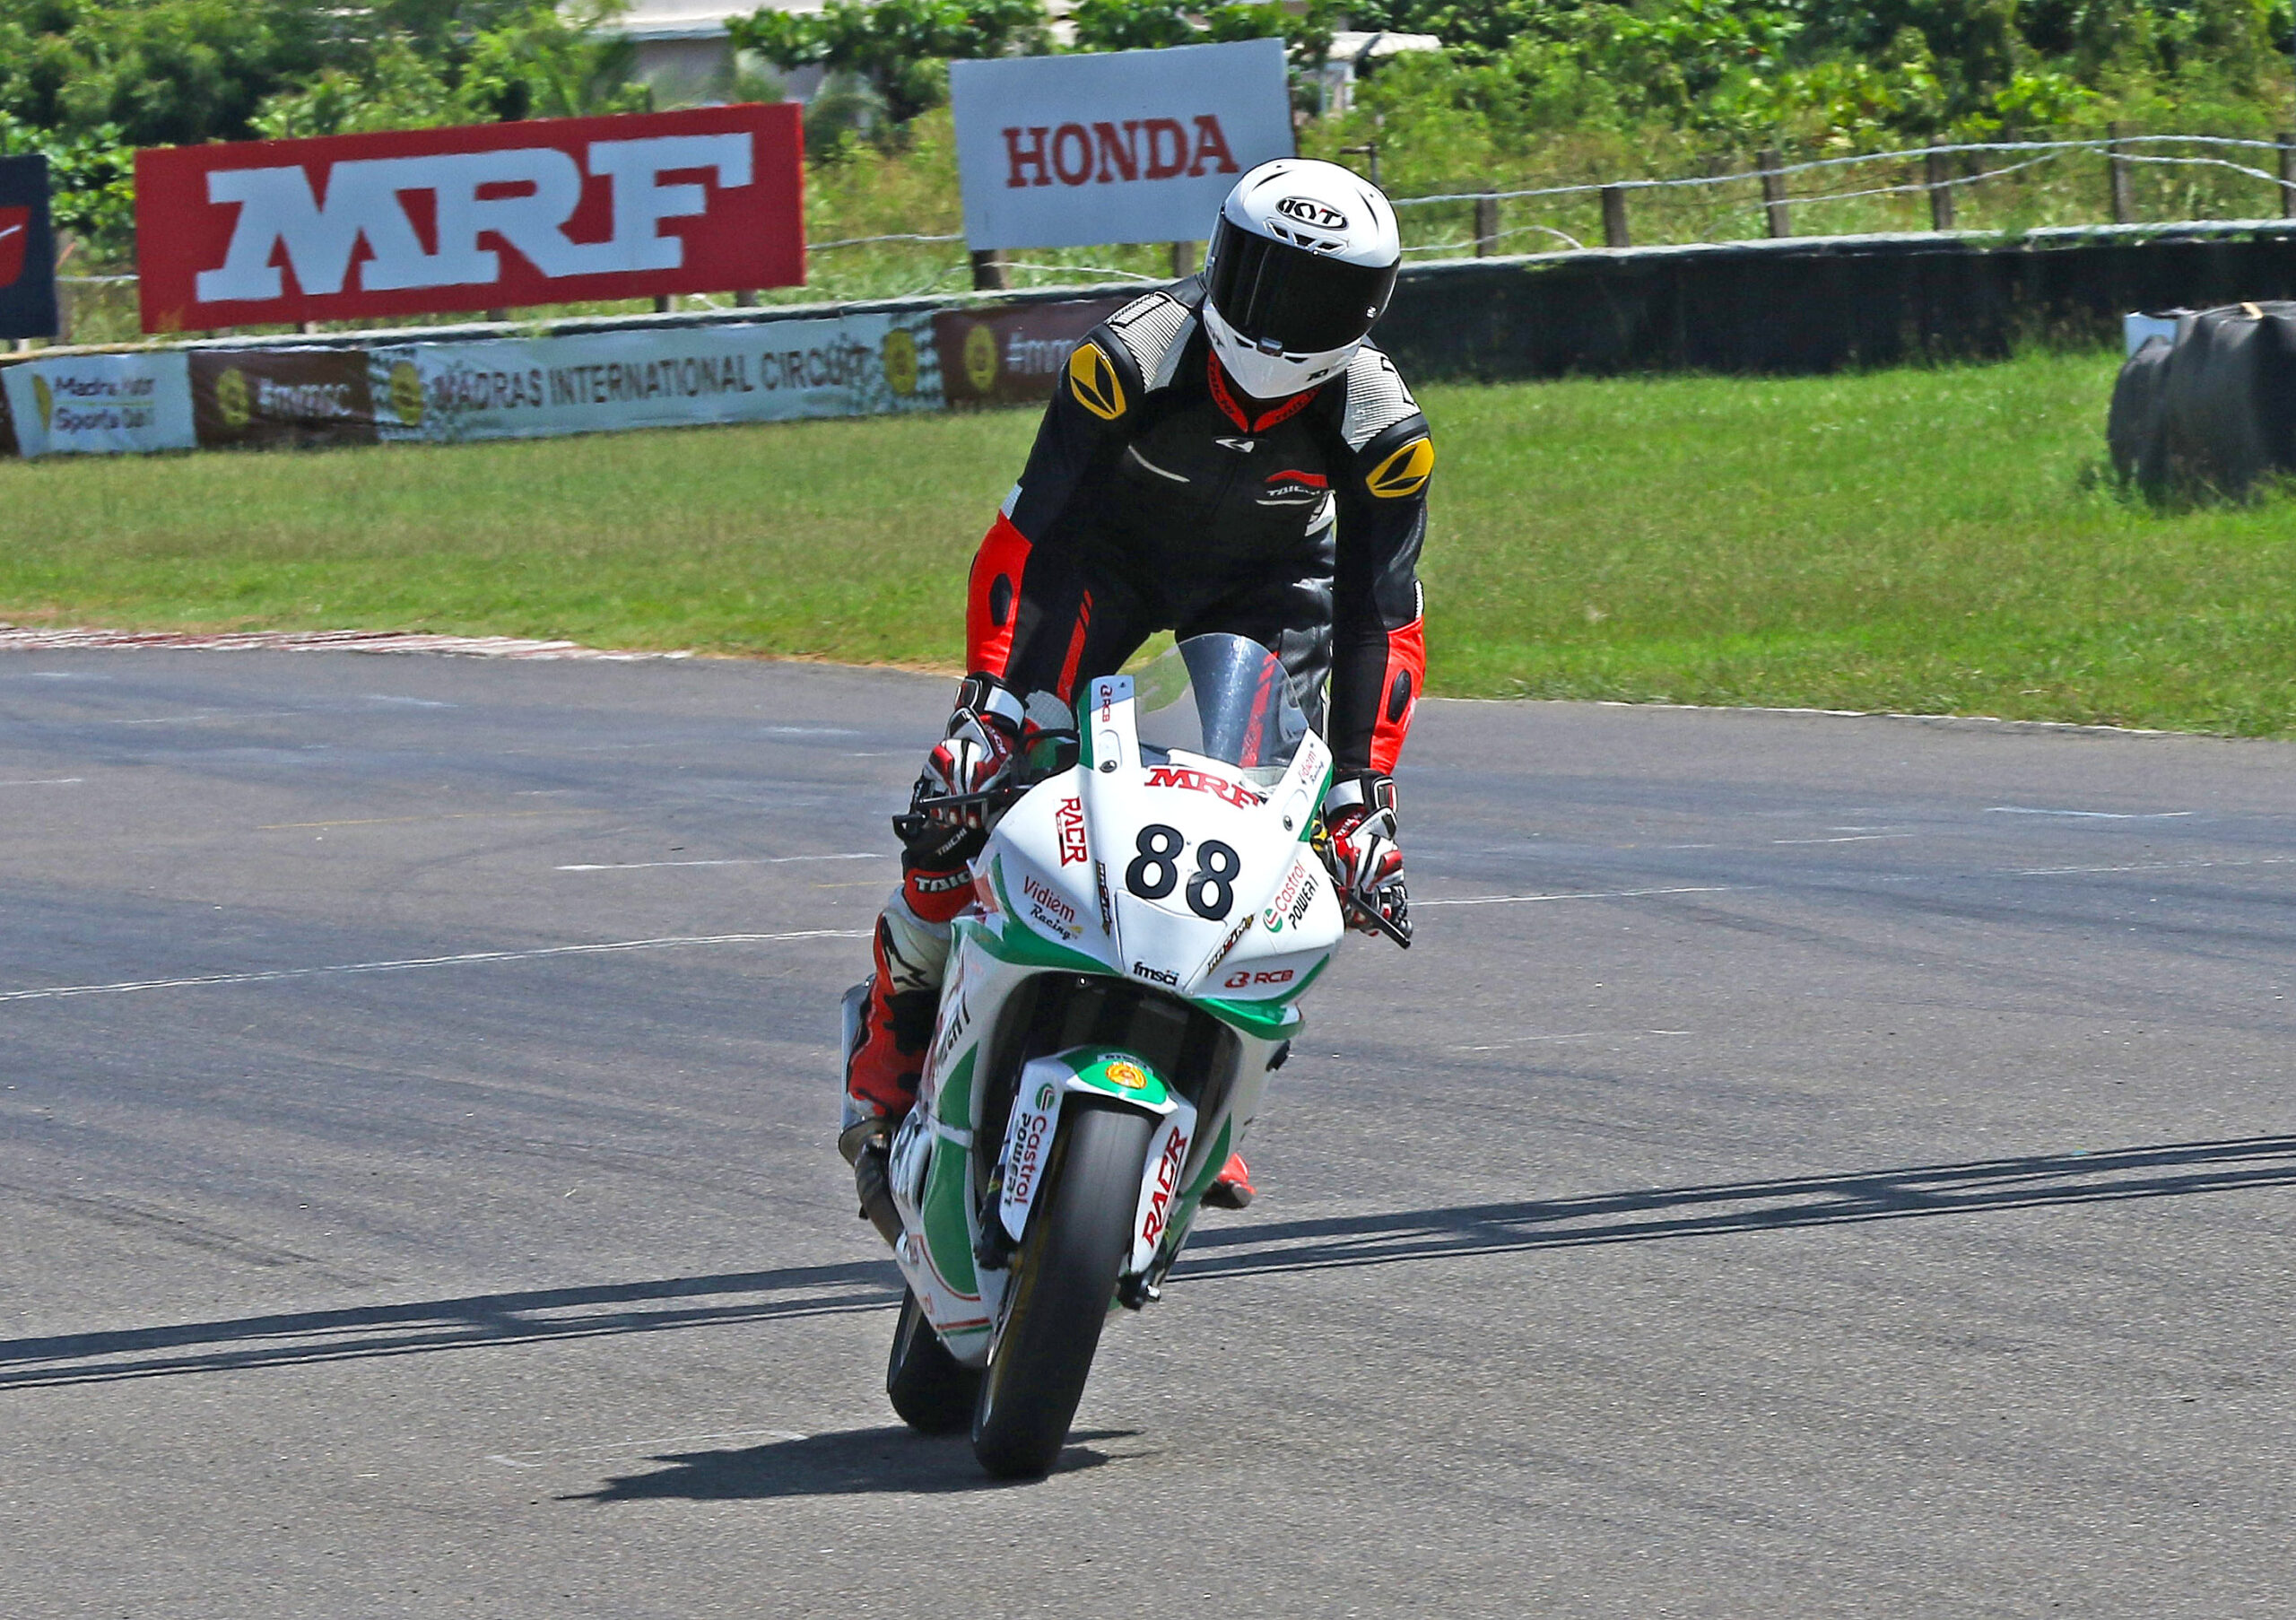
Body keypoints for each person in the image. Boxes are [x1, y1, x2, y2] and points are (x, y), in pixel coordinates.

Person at [840, 156, 1432, 1218]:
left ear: (1370, 309)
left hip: (1266, 589)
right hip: (1100, 563)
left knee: (1293, 852)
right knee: (957, 806)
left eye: (1318, 296)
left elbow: (1380, 617)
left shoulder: (1385, 432)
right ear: (1218, 257)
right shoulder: (1128, 355)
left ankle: (1216, 1088)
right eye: (1263, 277)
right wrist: (987, 710)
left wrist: (1361, 796)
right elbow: (1030, 531)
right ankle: (891, 1061)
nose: (1281, 318)